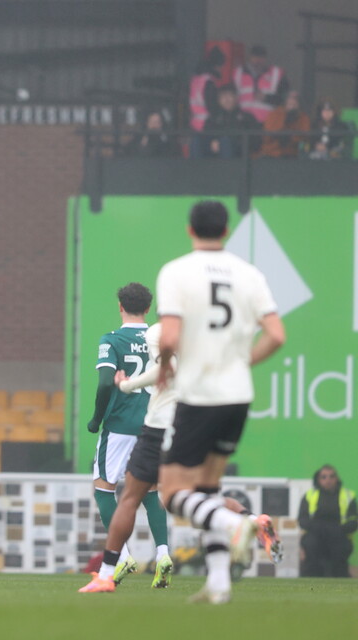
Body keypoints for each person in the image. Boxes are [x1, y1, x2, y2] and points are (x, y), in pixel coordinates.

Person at [80, 322, 283, 594]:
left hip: (159, 426)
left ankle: (107, 573)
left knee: (132, 497)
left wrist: (129, 386)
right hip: (197, 421)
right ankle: (252, 519)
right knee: (199, 496)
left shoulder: (160, 331)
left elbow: (167, 369)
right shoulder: (202, 333)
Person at [155, 200, 286, 604]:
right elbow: (277, 335)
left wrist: (163, 366)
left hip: (200, 393)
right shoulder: (250, 274)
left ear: (189, 229)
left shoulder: (176, 271)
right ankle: (218, 583)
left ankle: (235, 524)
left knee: (171, 492)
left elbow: (171, 336)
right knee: (208, 489)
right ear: (226, 230)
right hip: (238, 395)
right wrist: (243, 361)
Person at [84, 283, 169, 584]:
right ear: (148, 308)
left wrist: (96, 419)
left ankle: (122, 557)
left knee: (104, 488)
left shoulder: (112, 340)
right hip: (153, 425)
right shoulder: (159, 339)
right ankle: (163, 553)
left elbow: (106, 382)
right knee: (150, 489)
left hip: (120, 426)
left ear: (120, 305)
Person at [297, 465, 357, 577]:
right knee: (311, 545)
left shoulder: (348, 496)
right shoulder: (309, 496)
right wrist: (318, 528)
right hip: (315, 534)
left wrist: (337, 530)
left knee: (340, 552)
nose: (328, 480)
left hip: (339, 534)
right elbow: (302, 520)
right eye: (323, 477)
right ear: (318, 479)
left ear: (337, 478)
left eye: (331, 476)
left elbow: (353, 521)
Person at [233, 45, 290, 125]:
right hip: (243, 125)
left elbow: (286, 100)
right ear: (249, 58)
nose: (258, 60)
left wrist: (267, 98)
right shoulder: (238, 73)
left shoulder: (277, 74)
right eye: (255, 57)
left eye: (261, 57)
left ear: (265, 59)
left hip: (268, 125)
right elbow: (230, 98)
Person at [203, 84, 262, 158]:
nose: (226, 99)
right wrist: (213, 141)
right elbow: (205, 137)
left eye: (229, 96)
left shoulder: (247, 117)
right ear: (218, 100)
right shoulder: (212, 119)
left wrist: (229, 141)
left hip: (240, 156)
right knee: (196, 141)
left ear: (236, 97)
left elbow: (256, 142)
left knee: (225, 141)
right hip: (214, 156)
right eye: (223, 96)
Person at [188, 46, 225, 158]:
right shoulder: (209, 83)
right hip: (207, 127)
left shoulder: (195, 80)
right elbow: (213, 108)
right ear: (216, 65)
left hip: (194, 126)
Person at [258, 91, 310, 158]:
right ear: (285, 102)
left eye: (294, 103)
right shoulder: (275, 113)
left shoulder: (303, 117)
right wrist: (282, 130)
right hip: (272, 154)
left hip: (293, 155)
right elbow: (268, 134)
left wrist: (292, 138)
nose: (292, 106)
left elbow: (305, 137)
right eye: (290, 103)